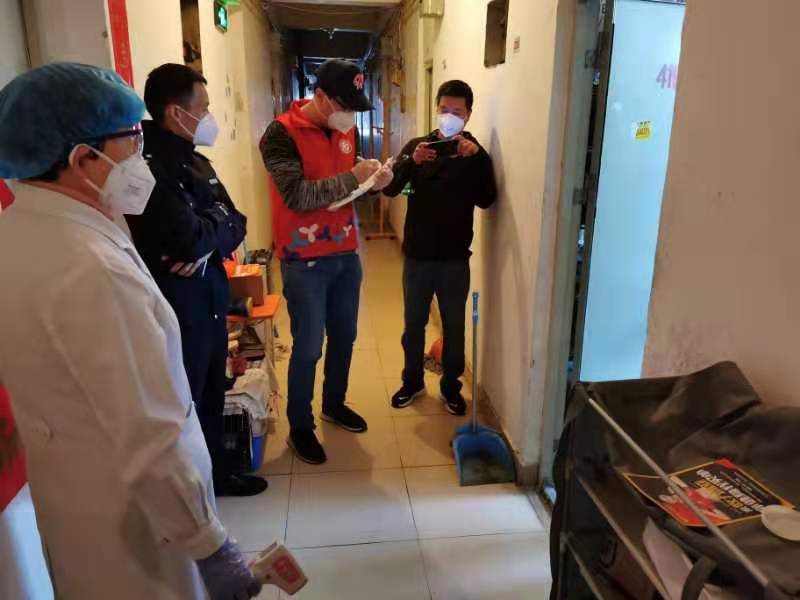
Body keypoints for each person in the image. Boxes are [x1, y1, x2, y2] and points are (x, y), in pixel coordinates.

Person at [0, 63, 260, 599]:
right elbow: (152, 435)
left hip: (75, 504)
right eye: (133, 139)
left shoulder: (18, 232)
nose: (141, 155)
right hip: (141, 526)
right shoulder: (90, 268)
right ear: (83, 159)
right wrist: (210, 544)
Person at [126, 63, 266, 497]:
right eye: (203, 107)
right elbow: (188, 241)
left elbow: (237, 222)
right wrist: (209, 236)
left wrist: (207, 240)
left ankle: (216, 477)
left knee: (211, 392)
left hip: (210, 297)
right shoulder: (148, 170)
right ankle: (189, 490)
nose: (209, 115)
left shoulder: (197, 163)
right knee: (183, 400)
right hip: (178, 306)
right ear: (176, 112)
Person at [260, 59, 393, 464]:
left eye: (354, 106)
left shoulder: (345, 129)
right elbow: (297, 196)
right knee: (307, 347)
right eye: (344, 104)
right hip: (303, 261)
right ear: (319, 96)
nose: (349, 115)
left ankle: (334, 403)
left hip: (345, 254)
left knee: (344, 336)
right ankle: (300, 425)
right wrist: (355, 177)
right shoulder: (280, 134)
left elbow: (347, 188)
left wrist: (374, 184)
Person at [383, 80, 497, 415]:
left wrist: (477, 160)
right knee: (413, 327)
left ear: (468, 114)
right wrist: (411, 162)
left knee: (454, 329)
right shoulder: (418, 146)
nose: (449, 116)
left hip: (454, 260)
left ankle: (451, 388)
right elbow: (390, 189)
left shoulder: (475, 153)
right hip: (417, 257)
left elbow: (487, 199)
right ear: (436, 109)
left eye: (457, 112)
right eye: (444, 109)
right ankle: (412, 382)